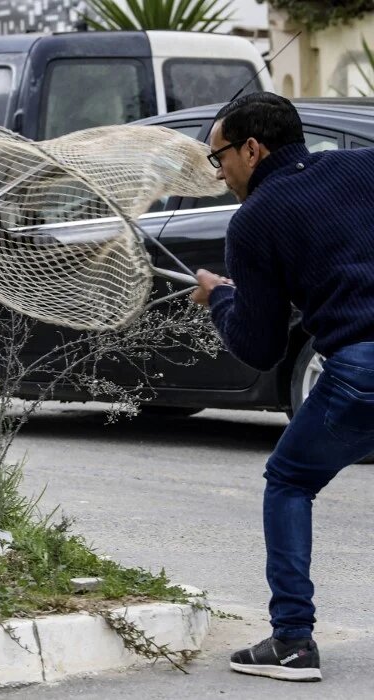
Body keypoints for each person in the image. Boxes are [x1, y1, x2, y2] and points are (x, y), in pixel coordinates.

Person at [190, 91, 374, 682]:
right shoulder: (360, 165)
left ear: (252, 148)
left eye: (220, 159)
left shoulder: (255, 221)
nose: (221, 175)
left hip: (361, 369)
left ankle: (293, 641)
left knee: (289, 480)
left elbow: (261, 347)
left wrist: (220, 298)